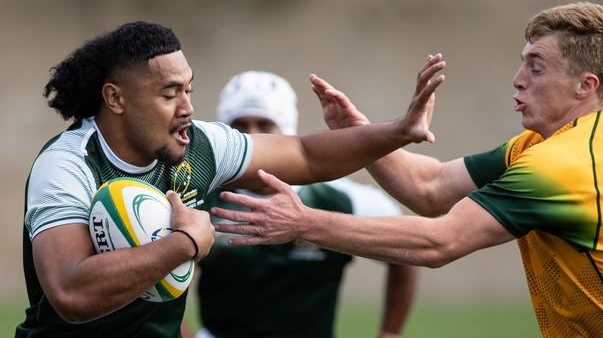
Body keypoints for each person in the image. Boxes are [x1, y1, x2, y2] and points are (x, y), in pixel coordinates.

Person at [213, 2, 603, 336]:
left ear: (585, 85)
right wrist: (363, 134)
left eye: (535, 67)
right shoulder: (547, 144)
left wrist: (303, 222)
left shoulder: (563, 165)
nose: (518, 78)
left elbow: (439, 243)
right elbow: (431, 189)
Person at [17, 22, 445, 338]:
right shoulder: (68, 165)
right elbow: (69, 293)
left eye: (189, 89)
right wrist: (184, 244)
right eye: (169, 94)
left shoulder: (200, 146)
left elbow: (306, 154)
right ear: (115, 98)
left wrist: (397, 131)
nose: (187, 107)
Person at [192, 71, 417, 338]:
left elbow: (406, 250)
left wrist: (390, 332)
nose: (252, 137)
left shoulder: (339, 200)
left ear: (287, 131)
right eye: (240, 127)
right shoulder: (198, 198)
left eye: (264, 125)